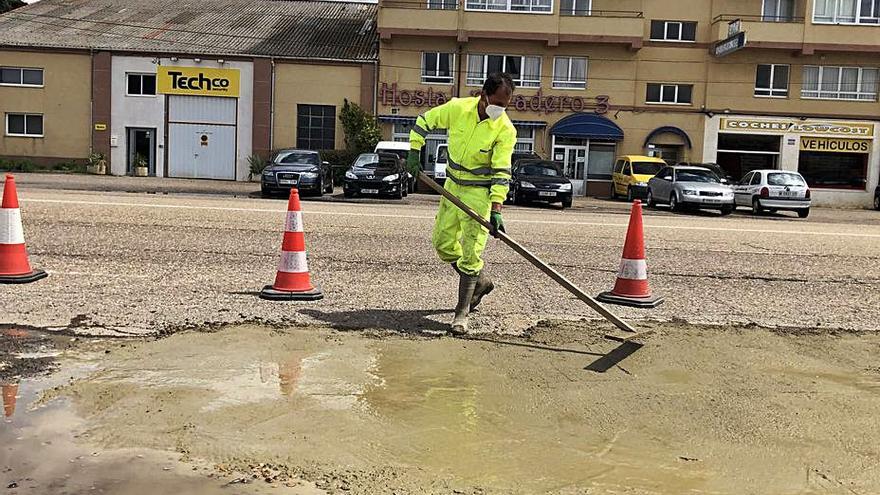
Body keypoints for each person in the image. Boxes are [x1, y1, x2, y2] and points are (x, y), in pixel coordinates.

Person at [406, 73, 517, 335]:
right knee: (443, 244)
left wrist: (497, 208)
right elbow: (425, 120)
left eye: (505, 106)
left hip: (479, 196)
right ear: (483, 95)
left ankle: (461, 314)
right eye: (497, 103)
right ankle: (479, 281)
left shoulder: (505, 129)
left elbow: (501, 172)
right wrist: (414, 149)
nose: (499, 110)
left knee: (471, 251)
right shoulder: (458, 108)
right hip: (452, 187)